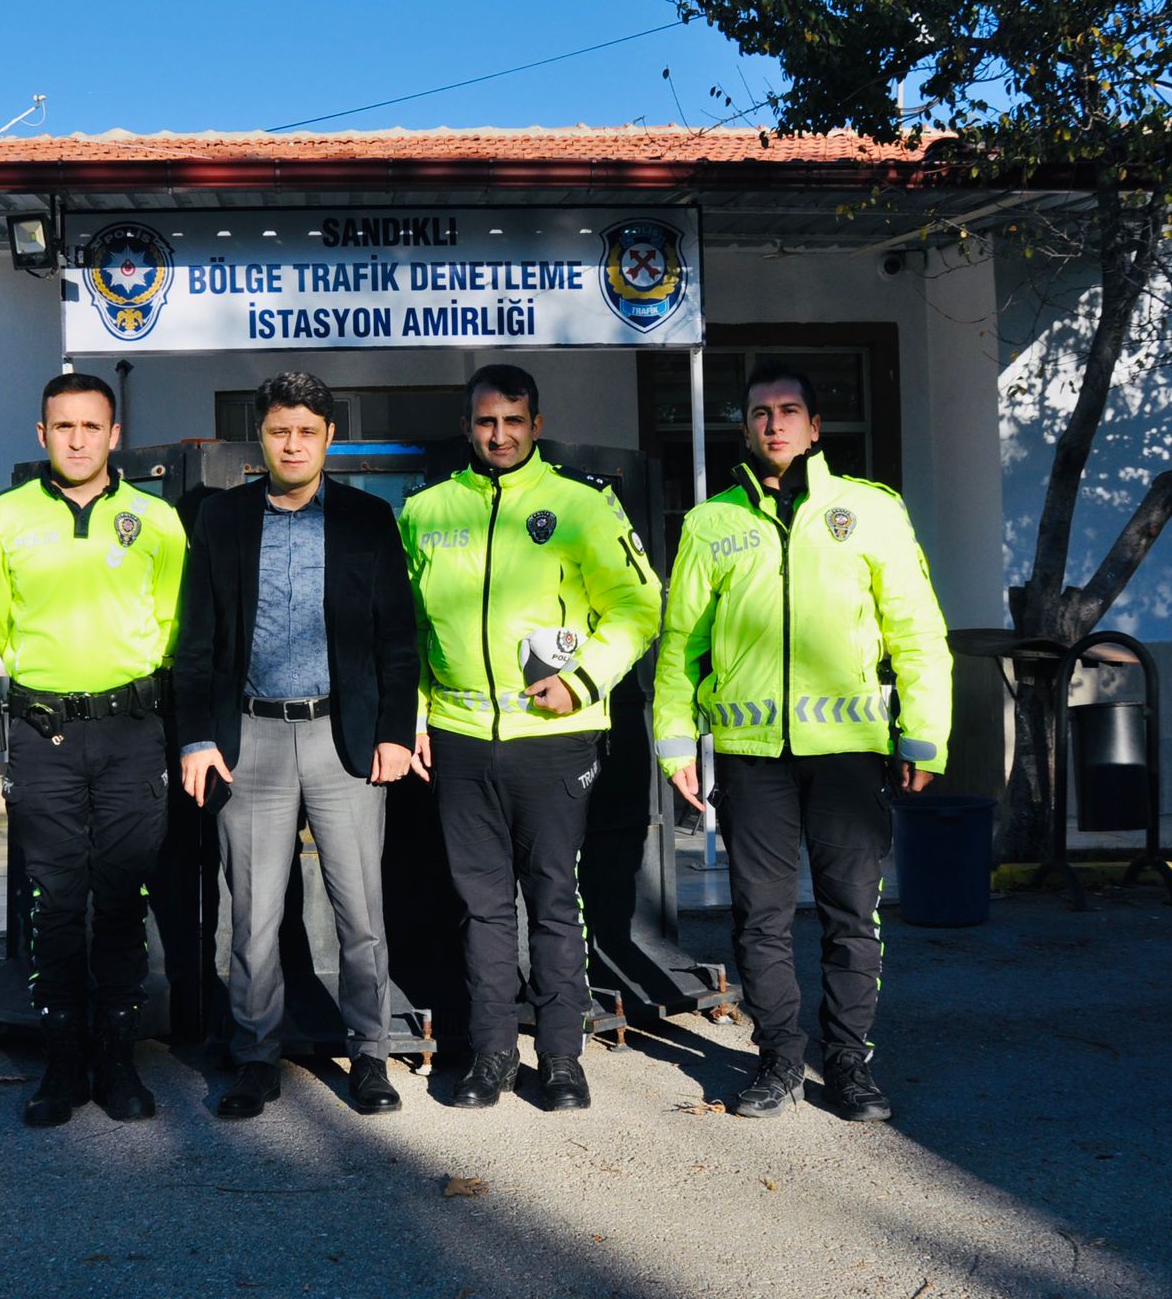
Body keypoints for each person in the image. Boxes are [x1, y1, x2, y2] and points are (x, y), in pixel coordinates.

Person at [654, 360, 951, 1123]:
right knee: (760, 917)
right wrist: (675, 741)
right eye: (760, 412)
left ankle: (849, 1064)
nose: (775, 423)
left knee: (852, 911)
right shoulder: (710, 522)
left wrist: (923, 735)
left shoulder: (871, 511)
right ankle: (782, 1060)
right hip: (753, 759)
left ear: (816, 428)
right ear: (745, 427)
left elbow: (915, 630)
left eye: (790, 411)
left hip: (847, 753)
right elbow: (682, 641)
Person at [399, 364, 661, 1112]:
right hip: (457, 737)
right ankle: (489, 1058)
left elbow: (639, 608)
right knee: (481, 907)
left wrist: (581, 683)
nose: (500, 435)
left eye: (514, 421)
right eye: (486, 422)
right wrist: (418, 714)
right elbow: (412, 630)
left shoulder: (581, 506)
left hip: (554, 738)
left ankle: (561, 1060)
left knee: (551, 899)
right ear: (467, 427)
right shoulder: (426, 511)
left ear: (536, 425)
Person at [174, 371, 419, 1119]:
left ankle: (371, 1055)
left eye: (307, 431)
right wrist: (196, 739)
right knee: (250, 913)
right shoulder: (221, 520)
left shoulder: (369, 519)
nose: (293, 443)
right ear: (262, 437)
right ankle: (255, 1055)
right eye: (280, 430)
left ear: (328, 438)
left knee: (360, 910)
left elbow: (397, 639)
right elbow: (197, 643)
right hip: (250, 737)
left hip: (343, 737)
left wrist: (393, 732)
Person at [0, 372, 186, 1127]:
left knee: (122, 900)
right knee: (56, 904)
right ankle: (63, 1067)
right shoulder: (3, 519)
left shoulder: (155, 519)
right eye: (62, 427)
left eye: (90, 427)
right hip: (43, 735)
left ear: (113, 434)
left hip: (132, 733)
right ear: (41, 435)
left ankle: (120, 1064)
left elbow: (171, 622)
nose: (76, 439)